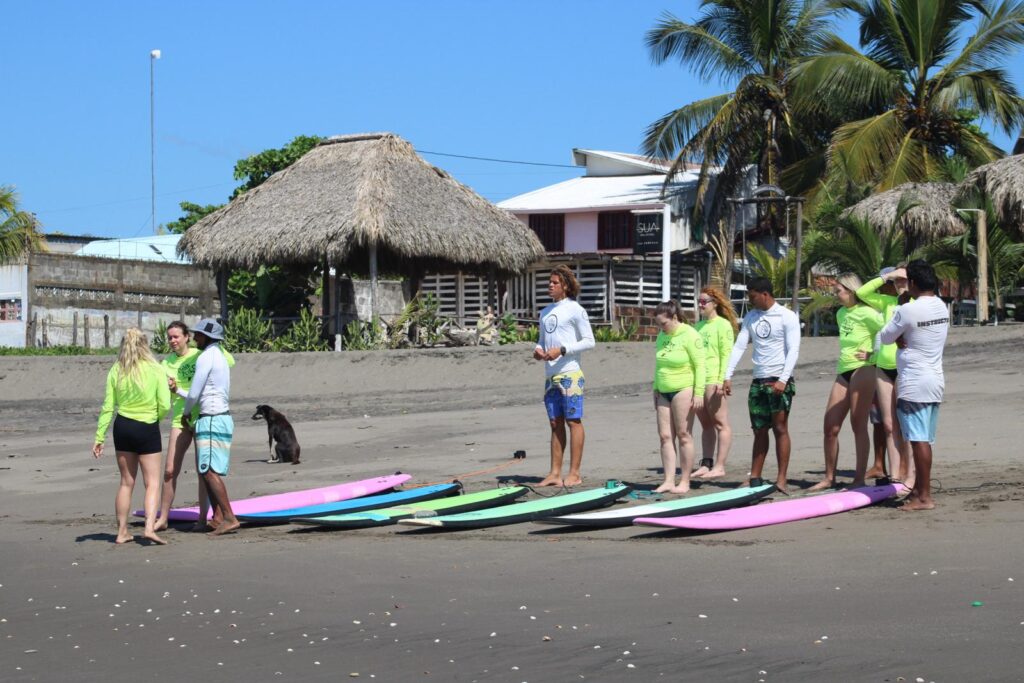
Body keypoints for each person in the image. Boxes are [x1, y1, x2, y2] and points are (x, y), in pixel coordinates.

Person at [879, 259, 949, 510]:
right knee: (925, 440)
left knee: (918, 441)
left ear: (914, 284)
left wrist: (901, 306)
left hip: (914, 381)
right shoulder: (942, 307)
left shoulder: (907, 310)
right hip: (934, 379)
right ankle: (920, 491)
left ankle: (924, 496)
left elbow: (885, 336)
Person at [93, 328, 171, 545]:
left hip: (123, 426)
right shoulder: (155, 369)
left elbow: (108, 406)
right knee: (153, 483)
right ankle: (148, 528)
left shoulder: (116, 370)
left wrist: (100, 437)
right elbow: (165, 403)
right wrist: (157, 417)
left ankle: (122, 532)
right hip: (147, 425)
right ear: (145, 345)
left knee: (126, 482)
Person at [156, 321, 235, 532]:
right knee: (195, 470)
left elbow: (195, 393)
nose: (196, 337)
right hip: (213, 416)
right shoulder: (211, 354)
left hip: (208, 417)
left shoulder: (205, 356)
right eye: (169, 337)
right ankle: (216, 518)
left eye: (199, 334)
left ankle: (226, 517)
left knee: (207, 472)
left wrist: (187, 412)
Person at [722, 277, 800, 493]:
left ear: (765, 294)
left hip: (779, 380)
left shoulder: (787, 316)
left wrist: (784, 379)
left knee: (780, 428)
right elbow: (739, 346)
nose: (750, 299)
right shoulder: (751, 316)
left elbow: (793, 349)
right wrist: (728, 375)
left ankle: (781, 479)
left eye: (752, 295)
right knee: (759, 430)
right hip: (758, 380)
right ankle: (755, 477)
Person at [810, 274, 883, 490]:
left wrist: (873, 355)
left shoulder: (868, 312)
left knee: (857, 424)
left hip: (864, 370)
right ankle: (829, 477)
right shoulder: (841, 314)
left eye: (839, 291)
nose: (836, 296)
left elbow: (888, 332)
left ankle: (859, 479)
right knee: (830, 426)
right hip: (843, 371)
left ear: (851, 291)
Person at [533, 265, 595, 487]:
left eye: (555, 282)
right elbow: (542, 339)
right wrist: (538, 350)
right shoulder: (545, 312)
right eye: (549, 282)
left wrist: (562, 350)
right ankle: (554, 473)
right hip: (551, 376)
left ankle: (575, 473)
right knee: (554, 422)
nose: (550, 285)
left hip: (571, 374)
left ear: (566, 286)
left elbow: (590, 341)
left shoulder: (575, 309)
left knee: (573, 421)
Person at [857, 266, 914, 486]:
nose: (900, 284)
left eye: (904, 280)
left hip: (904, 367)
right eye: (897, 281)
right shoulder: (887, 303)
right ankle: (895, 475)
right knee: (889, 426)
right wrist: (886, 277)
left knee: (905, 424)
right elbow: (861, 293)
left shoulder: (914, 305)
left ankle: (909, 473)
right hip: (883, 367)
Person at [651, 300, 706, 493]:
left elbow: (700, 365)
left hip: (683, 388)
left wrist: (699, 392)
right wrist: (655, 388)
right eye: (658, 325)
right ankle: (668, 480)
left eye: (664, 324)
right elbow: (659, 364)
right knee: (665, 436)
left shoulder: (690, 334)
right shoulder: (661, 336)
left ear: (674, 318)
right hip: (663, 390)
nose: (661, 328)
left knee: (683, 435)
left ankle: (684, 481)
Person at [692, 286, 738, 480]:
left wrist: (722, 379)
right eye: (699, 302)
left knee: (721, 423)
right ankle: (706, 463)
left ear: (715, 304)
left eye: (704, 302)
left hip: (713, 379)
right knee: (706, 425)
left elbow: (726, 354)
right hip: (698, 381)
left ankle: (720, 465)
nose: (700, 305)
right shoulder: (697, 327)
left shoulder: (722, 325)